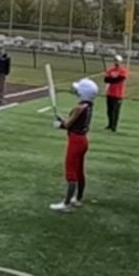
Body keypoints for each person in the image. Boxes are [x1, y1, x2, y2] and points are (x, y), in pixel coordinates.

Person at [51, 78, 98, 211]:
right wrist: (62, 120)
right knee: (79, 171)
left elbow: (67, 125)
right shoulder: (88, 106)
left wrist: (59, 125)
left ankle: (66, 204)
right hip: (82, 140)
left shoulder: (79, 107)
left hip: (75, 141)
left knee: (71, 172)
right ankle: (77, 199)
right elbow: (72, 122)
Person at [103, 55, 129, 131]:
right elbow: (106, 79)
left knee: (116, 111)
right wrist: (113, 79)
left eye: (117, 61)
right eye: (115, 60)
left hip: (118, 94)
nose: (116, 62)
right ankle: (110, 124)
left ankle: (114, 126)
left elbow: (120, 79)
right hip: (110, 93)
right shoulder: (110, 70)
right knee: (109, 110)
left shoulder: (123, 71)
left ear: (120, 62)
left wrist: (112, 79)